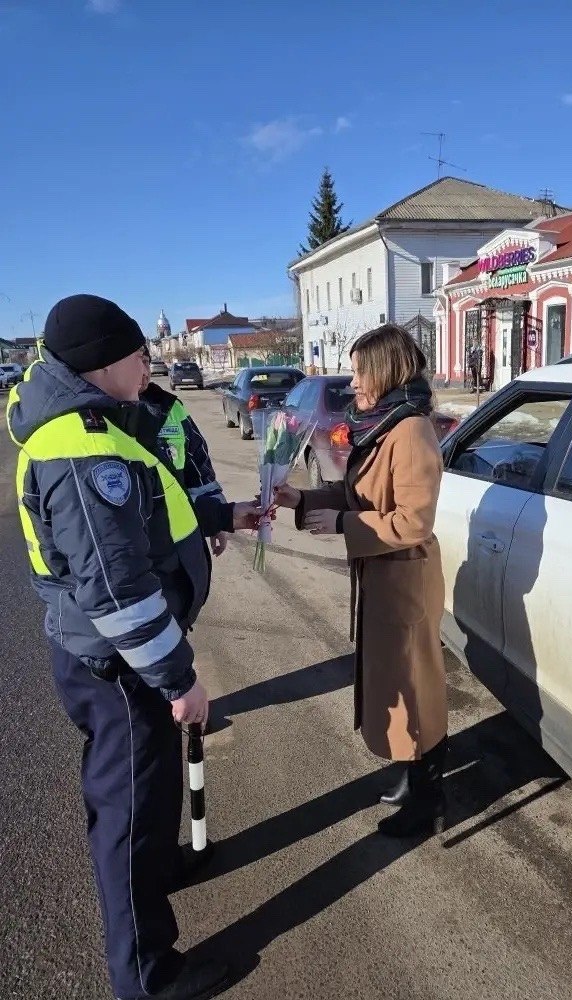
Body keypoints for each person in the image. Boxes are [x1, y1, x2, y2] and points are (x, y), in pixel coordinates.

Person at [6, 294, 261, 1000]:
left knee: (144, 800)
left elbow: (152, 515)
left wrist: (223, 513)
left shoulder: (102, 426)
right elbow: (117, 591)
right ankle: (149, 976)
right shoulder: (83, 447)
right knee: (129, 809)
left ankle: (153, 871)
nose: (149, 363)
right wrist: (181, 682)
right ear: (100, 364)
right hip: (120, 666)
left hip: (120, 659)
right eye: (137, 354)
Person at [275, 323, 448, 838]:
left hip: (405, 580)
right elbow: (360, 497)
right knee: (392, 680)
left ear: (383, 369)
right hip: (384, 575)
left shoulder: (411, 430)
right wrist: (303, 500)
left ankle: (428, 799)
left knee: (412, 687)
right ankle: (409, 771)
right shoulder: (382, 423)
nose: (351, 382)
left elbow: (414, 520)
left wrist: (346, 526)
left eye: (356, 370)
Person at [139, 347, 229, 557]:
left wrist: (217, 519)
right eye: (135, 362)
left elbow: (199, 470)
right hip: (134, 551)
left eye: (145, 362)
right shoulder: (99, 416)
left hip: (179, 546)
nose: (143, 371)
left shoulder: (171, 408)